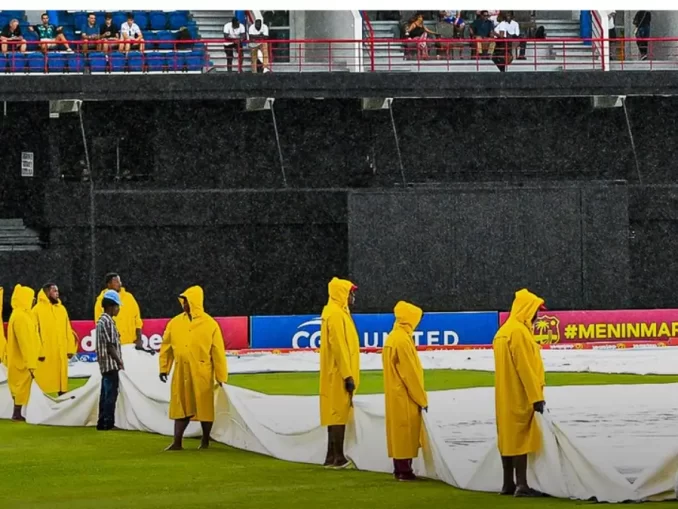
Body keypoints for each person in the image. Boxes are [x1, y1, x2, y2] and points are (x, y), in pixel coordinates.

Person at [493, 288, 547, 498]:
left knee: (506, 438)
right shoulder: (519, 333)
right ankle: (522, 485)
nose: (537, 316)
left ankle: (507, 483)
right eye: (536, 311)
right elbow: (525, 368)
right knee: (521, 439)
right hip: (520, 394)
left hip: (503, 395)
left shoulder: (503, 332)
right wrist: (536, 397)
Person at [159, 286, 228, 451]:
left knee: (204, 407)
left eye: (187, 301)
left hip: (202, 372)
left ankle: (205, 441)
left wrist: (221, 376)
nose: (184, 304)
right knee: (180, 406)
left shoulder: (210, 324)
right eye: (183, 301)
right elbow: (166, 347)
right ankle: (177, 442)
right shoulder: (175, 322)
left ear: (195, 302)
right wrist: (164, 368)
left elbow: (218, 352)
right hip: (181, 371)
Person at [382, 301, 428, 482]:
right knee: (405, 432)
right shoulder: (402, 341)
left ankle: (399, 468)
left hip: (394, 393)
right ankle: (404, 470)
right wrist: (422, 399)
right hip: (404, 394)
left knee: (398, 431)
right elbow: (411, 374)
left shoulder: (393, 337)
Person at [319, 277, 360, 469]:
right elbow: (339, 347)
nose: (353, 297)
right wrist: (347, 375)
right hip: (338, 373)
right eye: (351, 293)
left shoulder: (336, 312)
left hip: (335, 371)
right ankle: (339, 457)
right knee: (338, 415)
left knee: (334, 414)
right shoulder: (335, 314)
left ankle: (331, 456)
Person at [33, 283, 77, 396]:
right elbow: (35, 333)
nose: (57, 293)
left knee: (62, 381)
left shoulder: (61, 309)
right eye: (54, 291)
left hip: (61, 352)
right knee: (43, 383)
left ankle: (63, 404)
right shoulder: (36, 310)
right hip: (46, 353)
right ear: (47, 292)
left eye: (57, 291)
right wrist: (39, 351)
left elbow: (68, 329)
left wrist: (70, 349)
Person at [7, 284, 42, 421]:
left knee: (21, 386)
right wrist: (31, 362)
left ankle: (19, 412)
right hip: (23, 360)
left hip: (22, 358)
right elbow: (25, 342)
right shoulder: (21, 317)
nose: (33, 301)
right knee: (21, 386)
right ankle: (17, 413)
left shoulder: (21, 315)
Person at [94, 273, 151, 353]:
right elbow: (100, 325)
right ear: (109, 284)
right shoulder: (101, 301)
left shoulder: (129, 297)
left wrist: (139, 339)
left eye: (119, 281)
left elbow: (137, 320)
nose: (119, 283)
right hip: (113, 347)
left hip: (131, 346)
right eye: (116, 281)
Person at [95, 290, 124, 431]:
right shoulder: (107, 322)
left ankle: (101, 422)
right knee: (111, 395)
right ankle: (108, 423)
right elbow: (110, 345)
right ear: (111, 306)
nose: (118, 309)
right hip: (110, 364)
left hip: (104, 364)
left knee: (104, 394)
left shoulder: (101, 320)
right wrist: (119, 361)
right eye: (117, 306)